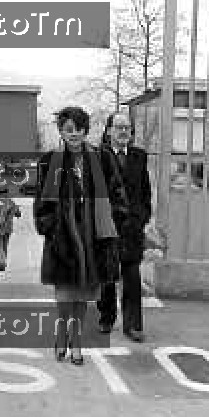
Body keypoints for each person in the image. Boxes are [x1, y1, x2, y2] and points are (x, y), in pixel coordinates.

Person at [34, 106, 128, 365]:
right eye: (68, 129)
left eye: (78, 129)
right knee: (64, 299)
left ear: (86, 130)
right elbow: (41, 199)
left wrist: (113, 225)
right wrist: (49, 226)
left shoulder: (101, 158)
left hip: (93, 240)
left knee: (83, 300)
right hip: (62, 241)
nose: (74, 134)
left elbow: (118, 194)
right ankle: (61, 336)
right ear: (61, 132)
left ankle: (77, 344)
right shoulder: (49, 161)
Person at [96, 111, 152, 343]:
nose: (123, 131)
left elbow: (144, 190)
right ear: (109, 131)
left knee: (131, 275)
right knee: (107, 274)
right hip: (107, 224)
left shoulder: (139, 156)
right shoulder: (98, 156)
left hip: (132, 227)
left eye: (127, 127)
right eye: (118, 127)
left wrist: (142, 217)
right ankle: (106, 318)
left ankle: (133, 325)